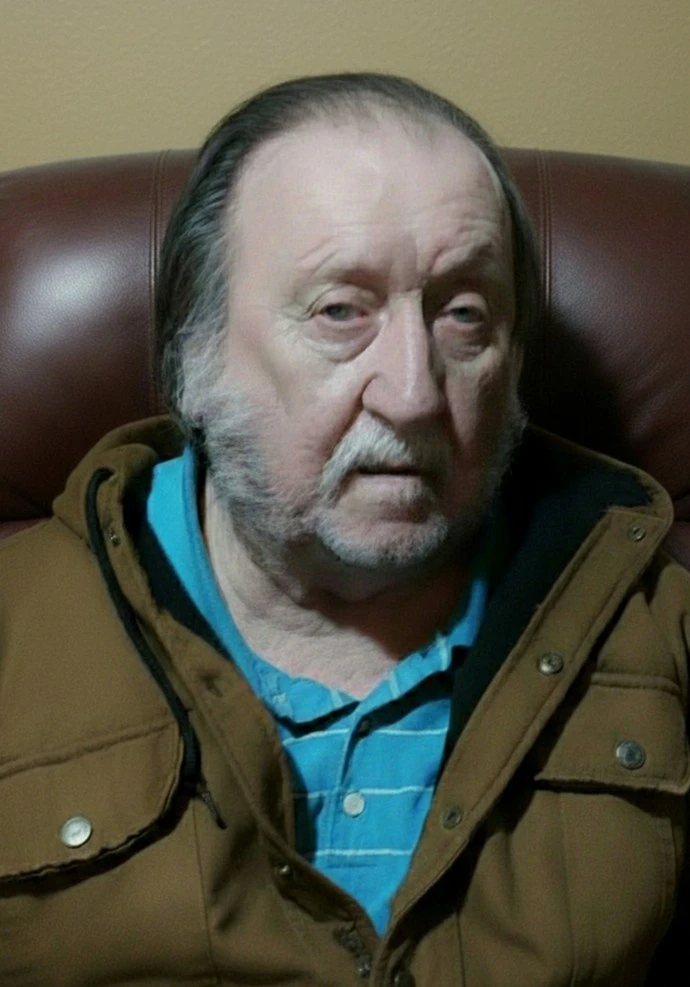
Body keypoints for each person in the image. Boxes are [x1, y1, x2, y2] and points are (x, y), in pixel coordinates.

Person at [0, 73, 687, 986]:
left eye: (464, 314)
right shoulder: (16, 631)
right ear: (194, 352)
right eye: (339, 312)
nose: (413, 393)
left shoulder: (658, 625)